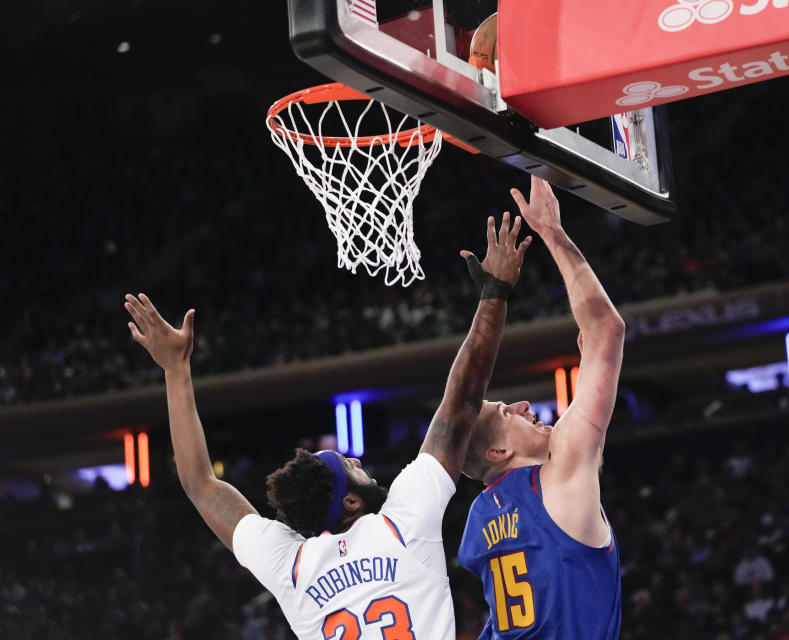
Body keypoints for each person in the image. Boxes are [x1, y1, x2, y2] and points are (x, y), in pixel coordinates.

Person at [123, 211, 531, 639]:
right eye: (351, 466)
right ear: (351, 503)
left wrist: (174, 370)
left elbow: (200, 483)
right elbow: (461, 403)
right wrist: (495, 292)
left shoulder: (291, 564)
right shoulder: (400, 521)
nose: (358, 458)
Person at [458, 177, 625, 638]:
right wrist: (553, 232)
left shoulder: (478, 520)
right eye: (506, 412)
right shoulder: (563, 471)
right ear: (496, 454)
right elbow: (607, 330)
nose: (524, 404)